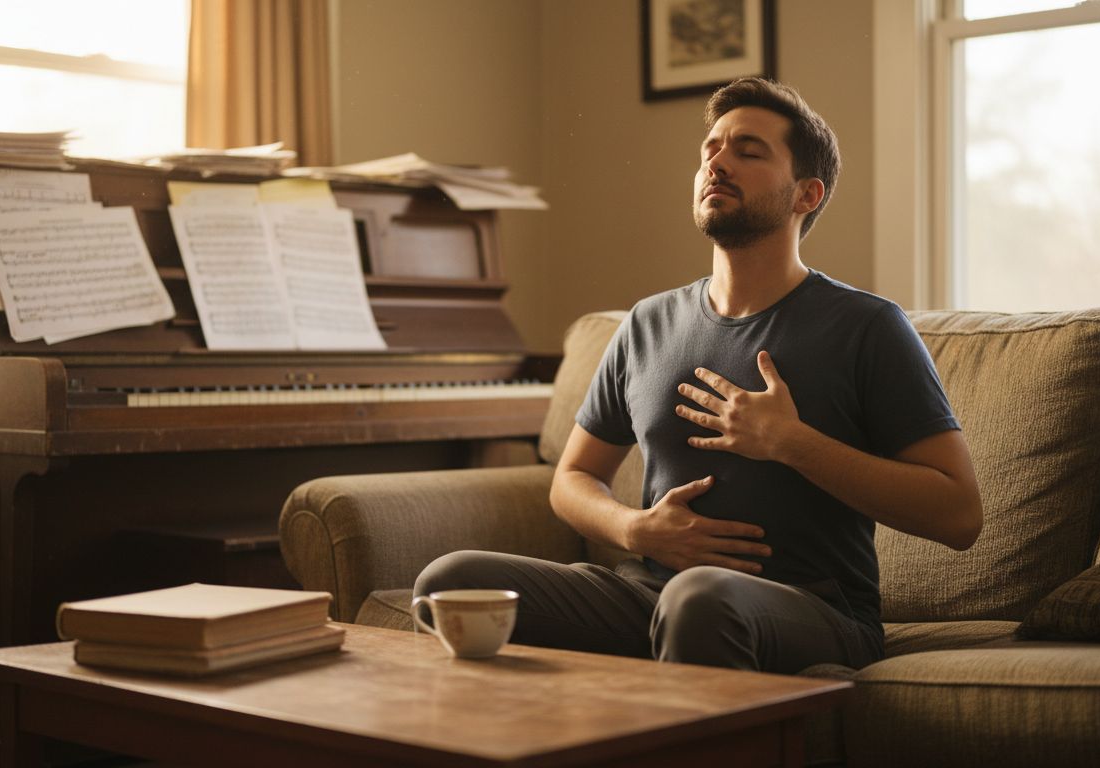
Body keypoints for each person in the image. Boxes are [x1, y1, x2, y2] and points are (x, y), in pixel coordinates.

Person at [413, 77, 983, 674]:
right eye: (711, 148)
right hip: (648, 594)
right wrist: (636, 531)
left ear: (806, 195)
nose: (718, 162)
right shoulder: (646, 324)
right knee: (448, 582)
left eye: (749, 151)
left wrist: (792, 443)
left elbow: (959, 515)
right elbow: (573, 477)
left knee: (700, 599)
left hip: (814, 610)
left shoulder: (867, 326)